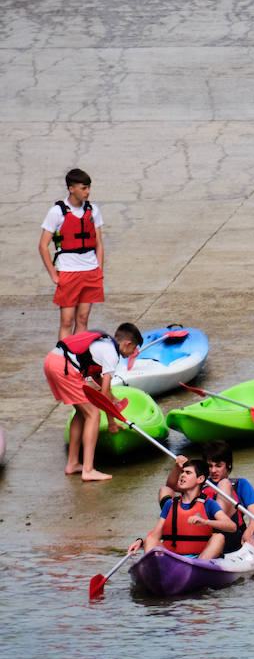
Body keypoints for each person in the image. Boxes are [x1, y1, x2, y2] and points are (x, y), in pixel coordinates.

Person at [43, 323, 142, 482]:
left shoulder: (104, 344)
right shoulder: (112, 354)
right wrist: (111, 422)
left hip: (52, 361)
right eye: (133, 349)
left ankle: (73, 463)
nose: (131, 354)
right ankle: (88, 470)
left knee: (81, 413)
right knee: (93, 414)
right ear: (127, 344)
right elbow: (104, 394)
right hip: (64, 367)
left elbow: (97, 377)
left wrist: (114, 399)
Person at [157, 441, 254, 554]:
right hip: (197, 533)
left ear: (228, 465)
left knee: (224, 484)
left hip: (226, 534)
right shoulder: (200, 483)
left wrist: (248, 533)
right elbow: (171, 485)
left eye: (218, 466)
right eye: (209, 466)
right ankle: (172, 533)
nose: (213, 471)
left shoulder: (240, 484)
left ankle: (213, 526)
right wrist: (178, 467)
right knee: (165, 490)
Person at [39, 168, 105, 340]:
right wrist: (54, 274)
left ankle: (78, 360)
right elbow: (43, 246)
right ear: (71, 188)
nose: (87, 192)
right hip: (68, 271)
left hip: (91, 271)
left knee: (83, 319)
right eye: (83, 188)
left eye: (89, 187)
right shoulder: (57, 212)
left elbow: (98, 243)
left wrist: (99, 269)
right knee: (67, 321)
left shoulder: (93, 210)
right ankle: (64, 361)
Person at [129, 459, 238, 561]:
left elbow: (232, 527)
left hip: (199, 559)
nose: (182, 475)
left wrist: (205, 522)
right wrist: (141, 541)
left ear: (200, 479)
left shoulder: (209, 504)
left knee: (218, 537)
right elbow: (155, 535)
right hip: (172, 557)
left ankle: (197, 569)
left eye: (188, 473)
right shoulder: (170, 504)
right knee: (151, 539)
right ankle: (154, 570)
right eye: (182, 472)